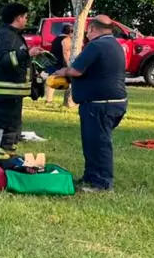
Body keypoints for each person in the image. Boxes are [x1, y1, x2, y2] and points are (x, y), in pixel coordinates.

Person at [53, 15, 127, 192]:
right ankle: (91, 176)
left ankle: (102, 182)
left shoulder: (96, 45)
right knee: (93, 141)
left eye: (87, 30)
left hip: (100, 105)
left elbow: (75, 70)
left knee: (99, 143)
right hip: (113, 102)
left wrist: (62, 71)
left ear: (92, 28)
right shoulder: (115, 44)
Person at [0, 3, 44, 164]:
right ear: (18, 17)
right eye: (25, 17)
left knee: (12, 129)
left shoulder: (5, 33)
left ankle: (8, 158)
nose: (26, 20)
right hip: (6, 91)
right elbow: (3, 60)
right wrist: (26, 53)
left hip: (11, 92)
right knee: (3, 129)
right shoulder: (7, 35)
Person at [44, 23, 73, 105]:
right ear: (70, 32)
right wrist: (68, 65)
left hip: (53, 61)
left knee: (51, 80)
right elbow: (66, 53)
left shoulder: (56, 38)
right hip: (60, 63)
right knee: (68, 80)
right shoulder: (66, 39)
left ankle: (48, 100)